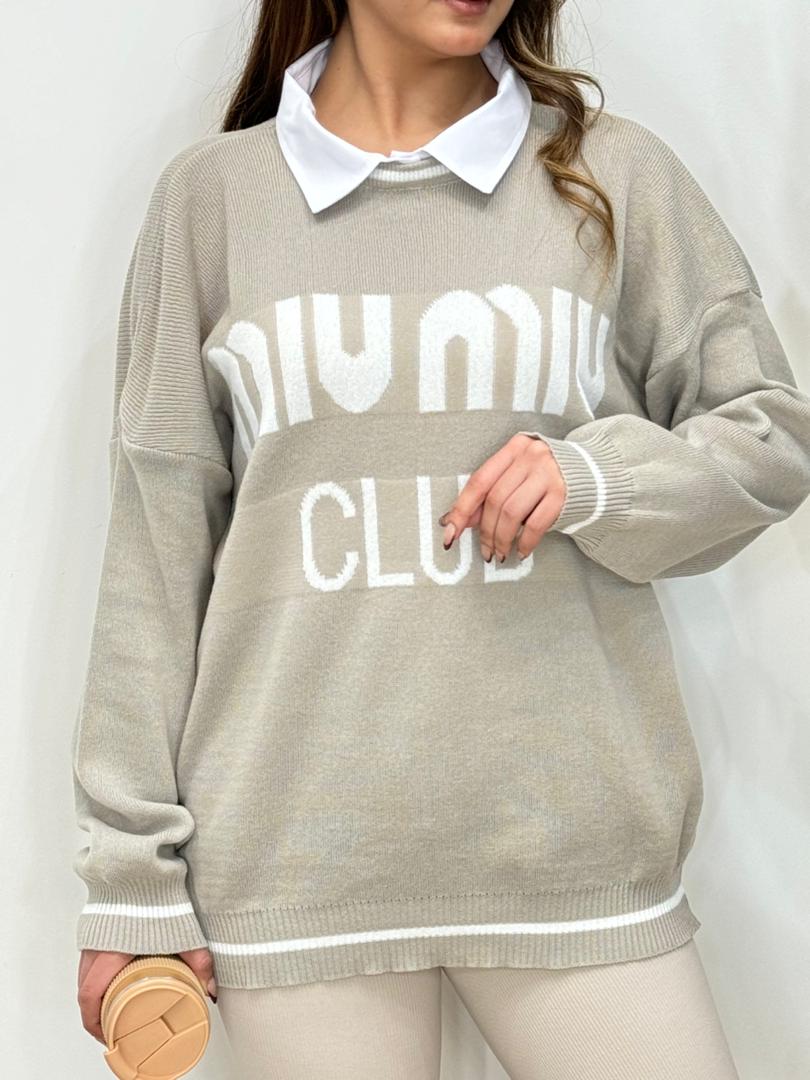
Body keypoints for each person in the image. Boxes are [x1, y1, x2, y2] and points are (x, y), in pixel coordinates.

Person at [71, 1, 810, 1076]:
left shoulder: (612, 175)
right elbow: (154, 553)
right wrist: (129, 880)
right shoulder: (212, 201)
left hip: (575, 849)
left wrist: (594, 477)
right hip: (297, 865)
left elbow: (771, 434)